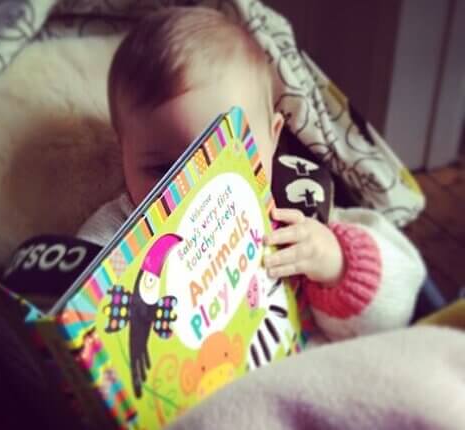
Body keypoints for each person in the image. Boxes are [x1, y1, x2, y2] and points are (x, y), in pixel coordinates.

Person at [78, 6, 426, 342]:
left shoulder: (295, 204)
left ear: (273, 138)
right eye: (163, 169)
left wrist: (337, 264)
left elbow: (398, 306)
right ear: (123, 153)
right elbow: (76, 319)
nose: (194, 189)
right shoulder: (118, 236)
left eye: (223, 157)